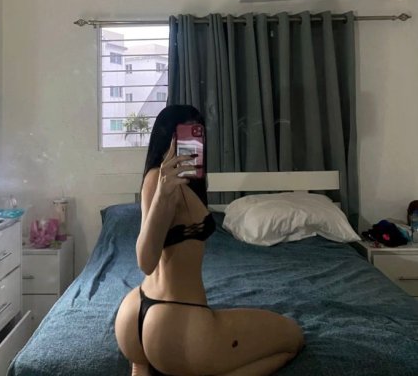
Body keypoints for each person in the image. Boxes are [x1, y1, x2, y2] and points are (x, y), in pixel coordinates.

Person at [115, 104, 304, 376]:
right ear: (168, 139)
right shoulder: (164, 185)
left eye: (199, 134)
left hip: (135, 316)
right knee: (293, 338)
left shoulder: (154, 178)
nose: (195, 143)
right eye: (185, 135)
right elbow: (145, 260)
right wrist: (163, 196)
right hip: (175, 319)